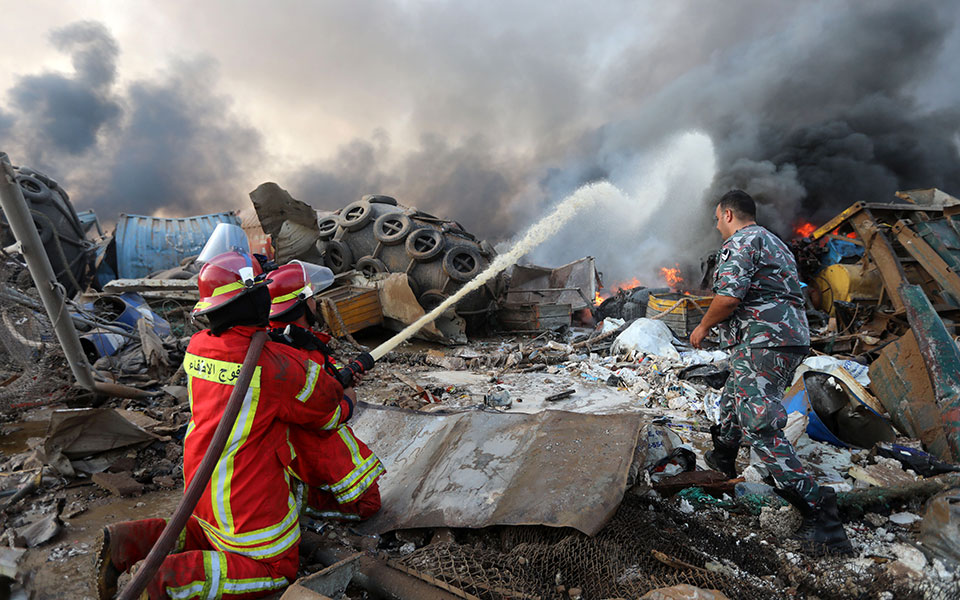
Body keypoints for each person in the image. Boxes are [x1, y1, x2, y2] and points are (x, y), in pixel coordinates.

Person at [96, 251, 350, 599]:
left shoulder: (199, 346)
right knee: (276, 570)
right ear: (254, 298)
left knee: (202, 534)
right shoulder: (278, 366)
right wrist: (340, 388)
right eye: (262, 287)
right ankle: (165, 581)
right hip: (249, 506)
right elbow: (327, 410)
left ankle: (127, 541)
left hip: (202, 489)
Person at [690, 189, 852, 555]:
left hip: (763, 341)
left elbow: (729, 298)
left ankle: (820, 512)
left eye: (717, 218)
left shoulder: (741, 242)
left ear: (729, 214)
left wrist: (702, 328)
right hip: (784, 338)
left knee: (759, 423)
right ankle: (723, 458)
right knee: (735, 395)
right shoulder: (774, 243)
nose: (716, 226)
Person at [265, 261, 385, 522]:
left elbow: (319, 376)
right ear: (301, 304)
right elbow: (321, 417)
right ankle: (300, 501)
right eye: (312, 297)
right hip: (308, 443)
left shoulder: (283, 341)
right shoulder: (299, 355)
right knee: (369, 504)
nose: (316, 302)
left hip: (289, 446)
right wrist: (348, 402)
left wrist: (341, 376)